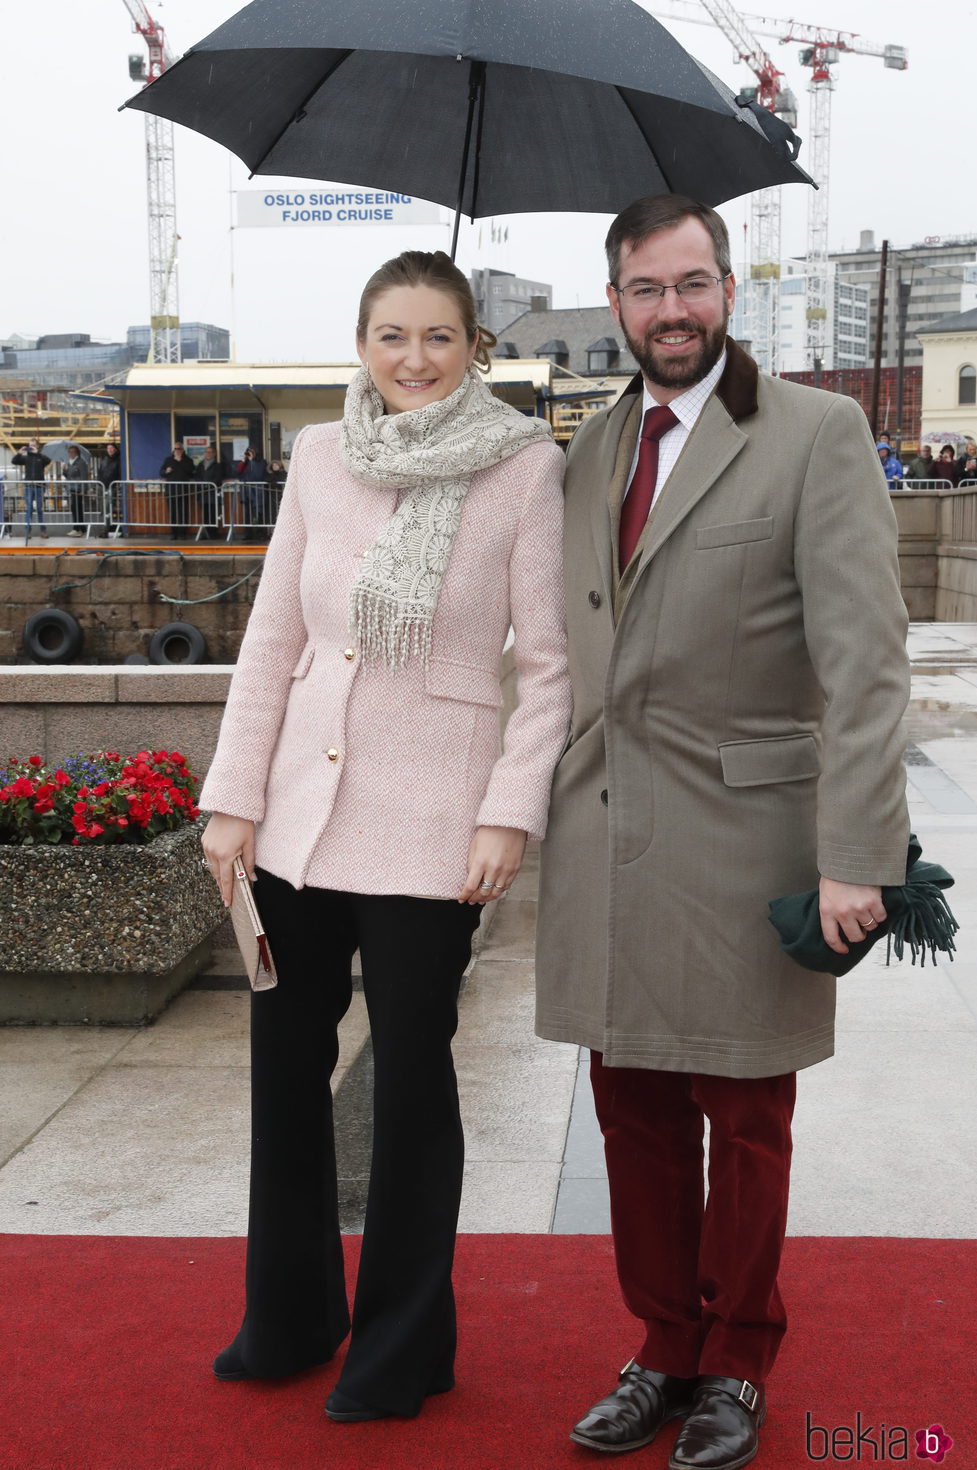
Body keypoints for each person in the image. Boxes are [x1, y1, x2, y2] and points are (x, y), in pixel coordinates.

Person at [535, 195, 910, 1470]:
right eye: (645, 290)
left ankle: (737, 1361)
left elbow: (866, 666)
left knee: (744, 1117)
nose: (671, 311)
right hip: (610, 833)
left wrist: (859, 851)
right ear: (615, 304)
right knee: (629, 1107)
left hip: (749, 832)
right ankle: (662, 1346)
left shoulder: (813, 433)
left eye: (691, 284)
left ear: (728, 290)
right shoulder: (587, 447)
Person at [199, 249, 570, 1423]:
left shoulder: (523, 468)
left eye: (439, 337)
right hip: (296, 825)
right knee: (283, 1072)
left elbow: (549, 671)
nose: (414, 359)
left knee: (412, 1084)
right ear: (361, 344)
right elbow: (272, 644)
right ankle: (290, 1317)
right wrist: (231, 797)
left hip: (433, 827)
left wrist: (510, 811)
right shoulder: (318, 454)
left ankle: (400, 1347)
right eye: (391, 336)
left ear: (475, 348)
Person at [11, 438, 50, 541]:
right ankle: (28, 531)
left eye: (32, 445)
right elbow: (14, 461)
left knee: (39, 509)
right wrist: (19, 453)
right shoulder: (26, 458)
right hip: (28, 486)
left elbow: (48, 460)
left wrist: (37, 453)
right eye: (29, 445)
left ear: (37, 446)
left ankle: (43, 530)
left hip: (39, 486)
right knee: (28, 509)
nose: (30, 447)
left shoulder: (40, 457)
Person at [160, 442, 194, 539]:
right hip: (171, 491)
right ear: (173, 450)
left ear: (183, 450)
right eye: (176, 449)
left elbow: (191, 472)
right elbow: (161, 472)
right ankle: (174, 533)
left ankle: (183, 533)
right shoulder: (168, 460)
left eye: (179, 449)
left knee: (183, 512)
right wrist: (166, 471)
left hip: (184, 490)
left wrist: (180, 461)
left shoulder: (188, 460)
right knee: (173, 513)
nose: (177, 451)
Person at [236, 445, 269, 539]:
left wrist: (252, 461)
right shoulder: (245, 463)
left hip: (258, 492)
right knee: (247, 514)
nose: (249, 454)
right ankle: (248, 534)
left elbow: (258, 475)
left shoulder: (262, 462)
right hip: (247, 491)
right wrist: (243, 461)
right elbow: (238, 473)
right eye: (248, 452)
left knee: (259, 513)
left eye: (252, 452)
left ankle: (260, 533)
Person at [196, 444, 225, 539]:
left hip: (213, 494)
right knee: (205, 514)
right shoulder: (200, 465)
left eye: (210, 452)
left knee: (214, 514)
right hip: (203, 494)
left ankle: (213, 533)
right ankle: (207, 533)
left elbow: (218, 478)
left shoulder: (218, 465)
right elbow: (197, 477)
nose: (208, 454)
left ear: (214, 454)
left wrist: (209, 484)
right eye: (207, 452)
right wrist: (202, 484)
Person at [63, 443, 89, 536]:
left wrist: (83, 489)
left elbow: (83, 476)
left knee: (77, 508)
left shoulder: (80, 462)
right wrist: (65, 470)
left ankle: (78, 528)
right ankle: (79, 528)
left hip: (78, 488)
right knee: (74, 508)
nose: (70, 454)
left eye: (72, 452)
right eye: (69, 452)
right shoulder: (70, 462)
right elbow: (68, 476)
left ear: (76, 453)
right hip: (72, 488)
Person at [97, 442, 122, 535]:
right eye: (108, 448)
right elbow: (99, 471)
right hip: (102, 486)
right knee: (102, 509)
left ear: (115, 449)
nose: (110, 450)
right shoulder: (104, 459)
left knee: (108, 508)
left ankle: (105, 530)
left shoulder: (119, 460)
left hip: (112, 487)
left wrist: (117, 485)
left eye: (111, 448)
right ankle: (105, 527)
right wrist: (98, 482)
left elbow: (120, 473)